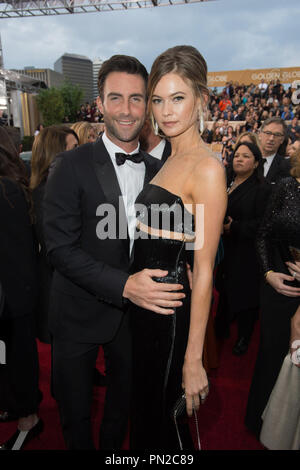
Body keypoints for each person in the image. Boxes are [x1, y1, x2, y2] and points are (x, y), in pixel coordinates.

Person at [43, 54, 185, 450]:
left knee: (123, 407)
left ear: (148, 106)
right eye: (116, 98)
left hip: (134, 321)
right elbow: (59, 248)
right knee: (75, 413)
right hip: (76, 313)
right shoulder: (69, 165)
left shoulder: (162, 172)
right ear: (100, 103)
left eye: (137, 98)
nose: (127, 109)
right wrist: (125, 285)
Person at [129, 45, 227, 449]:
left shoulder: (206, 167)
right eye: (158, 100)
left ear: (201, 98)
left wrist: (193, 359)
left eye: (178, 98)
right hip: (146, 310)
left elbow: (204, 270)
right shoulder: (168, 154)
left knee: (166, 424)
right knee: (148, 413)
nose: (166, 111)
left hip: (169, 319)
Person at [245, 147, 300, 438]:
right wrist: (268, 274)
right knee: (272, 355)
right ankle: (264, 424)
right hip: (279, 286)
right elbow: (264, 233)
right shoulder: (288, 186)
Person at [0, 127, 43, 450]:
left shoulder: (7, 190)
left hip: (15, 296)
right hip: (17, 294)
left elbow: (17, 252)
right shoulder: (13, 185)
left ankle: (28, 418)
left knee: (18, 359)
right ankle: (18, 407)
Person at [214, 142, 271, 354]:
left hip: (247, 251)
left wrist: (234, 227)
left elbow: (264, 224)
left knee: (245, 295)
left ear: (256, 162)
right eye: (237, 155)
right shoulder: (225, 181)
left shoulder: (262, 189)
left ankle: (244, 338)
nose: (239, 159)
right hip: (224, 248)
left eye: (246, 156)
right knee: (225, 288)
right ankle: (220, 329)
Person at [30, 125, 79, 343]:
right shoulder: (45, 194)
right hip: (58, 292)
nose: (81, 152)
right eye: (75, 148)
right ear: (57, 153)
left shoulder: (57, 189)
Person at [258, 117, 290, 183]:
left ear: (282, 139)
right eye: (268, 133)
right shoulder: (246, 160)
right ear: (260, 135)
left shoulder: (287, 167)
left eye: (277, 135)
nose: (271, 138)